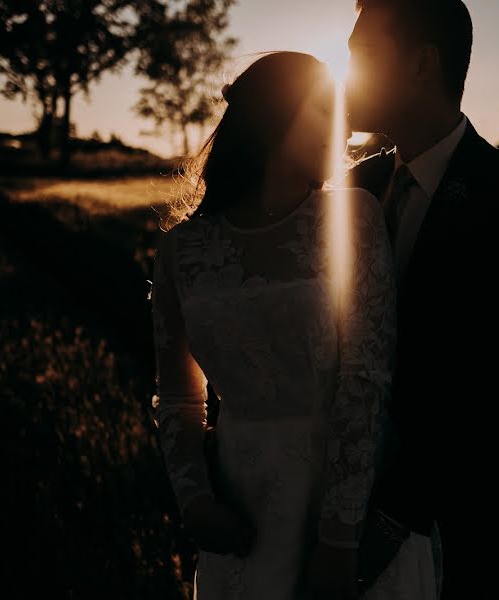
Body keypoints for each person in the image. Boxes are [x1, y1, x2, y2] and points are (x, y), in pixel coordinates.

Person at [149, 51, 436, 599]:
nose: (346, 132)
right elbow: (179, 395)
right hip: (239, 514)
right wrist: (197, 502)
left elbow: (365, 379)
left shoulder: (353, 218)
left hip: (337, 505)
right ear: (275, 118)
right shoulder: (180, 252)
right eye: (327, 112)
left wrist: (339, 541)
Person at [344, 1, 499, 596]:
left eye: (362, 55)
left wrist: (392, 519)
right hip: (356, 488)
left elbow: (477, 370)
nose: (346, 72)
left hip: (482, 498)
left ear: (422, 64)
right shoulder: (354, 184)